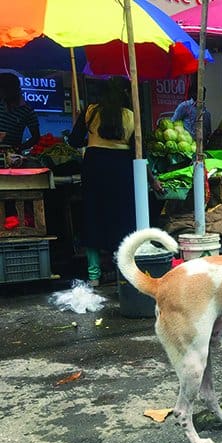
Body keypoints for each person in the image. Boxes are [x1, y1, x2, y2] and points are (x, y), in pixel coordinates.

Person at [68, 77, 163, 287]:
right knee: (122, 217)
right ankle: (122, 268)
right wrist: (152, 180)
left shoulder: (90, 111)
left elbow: (74, 141)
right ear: (125, 94)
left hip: (94, 166)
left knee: (93, 216)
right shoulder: (130, 115)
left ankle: (93, 275)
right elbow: (140, 153)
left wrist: (87, 131)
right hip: (121, 168)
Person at [0, 72, 40, 151]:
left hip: (11, 156)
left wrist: (19, 148)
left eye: (2, 90)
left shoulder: (28, 111)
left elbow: (36, 137)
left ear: (12, 90)